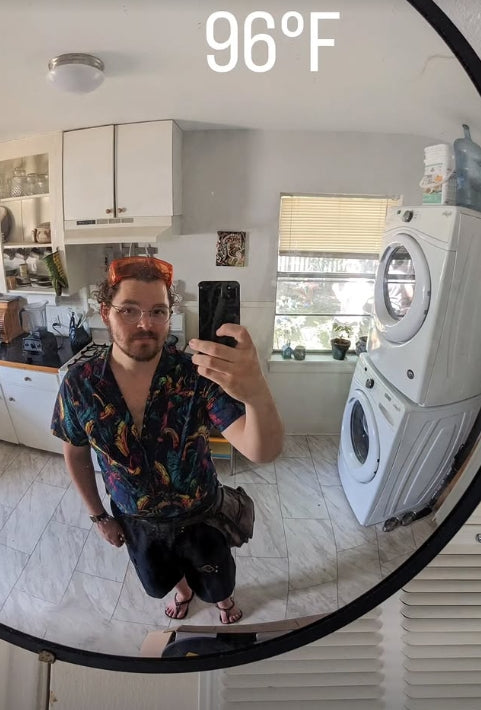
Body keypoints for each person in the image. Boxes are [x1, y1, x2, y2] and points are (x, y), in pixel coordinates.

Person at [51, 256, 284, 624]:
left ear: (169, 316)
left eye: (157, 311)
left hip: (201, 514)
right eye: (129, 310)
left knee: (218, 577)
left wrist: (255, 391)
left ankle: (222, 601)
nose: (145, 324)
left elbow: (263, 450)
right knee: (161, 577)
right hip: (135, 520)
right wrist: (99, 517)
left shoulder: (196, 375)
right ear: (105, 312)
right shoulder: (80, 384)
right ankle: (184, 592)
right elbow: (75, 453)